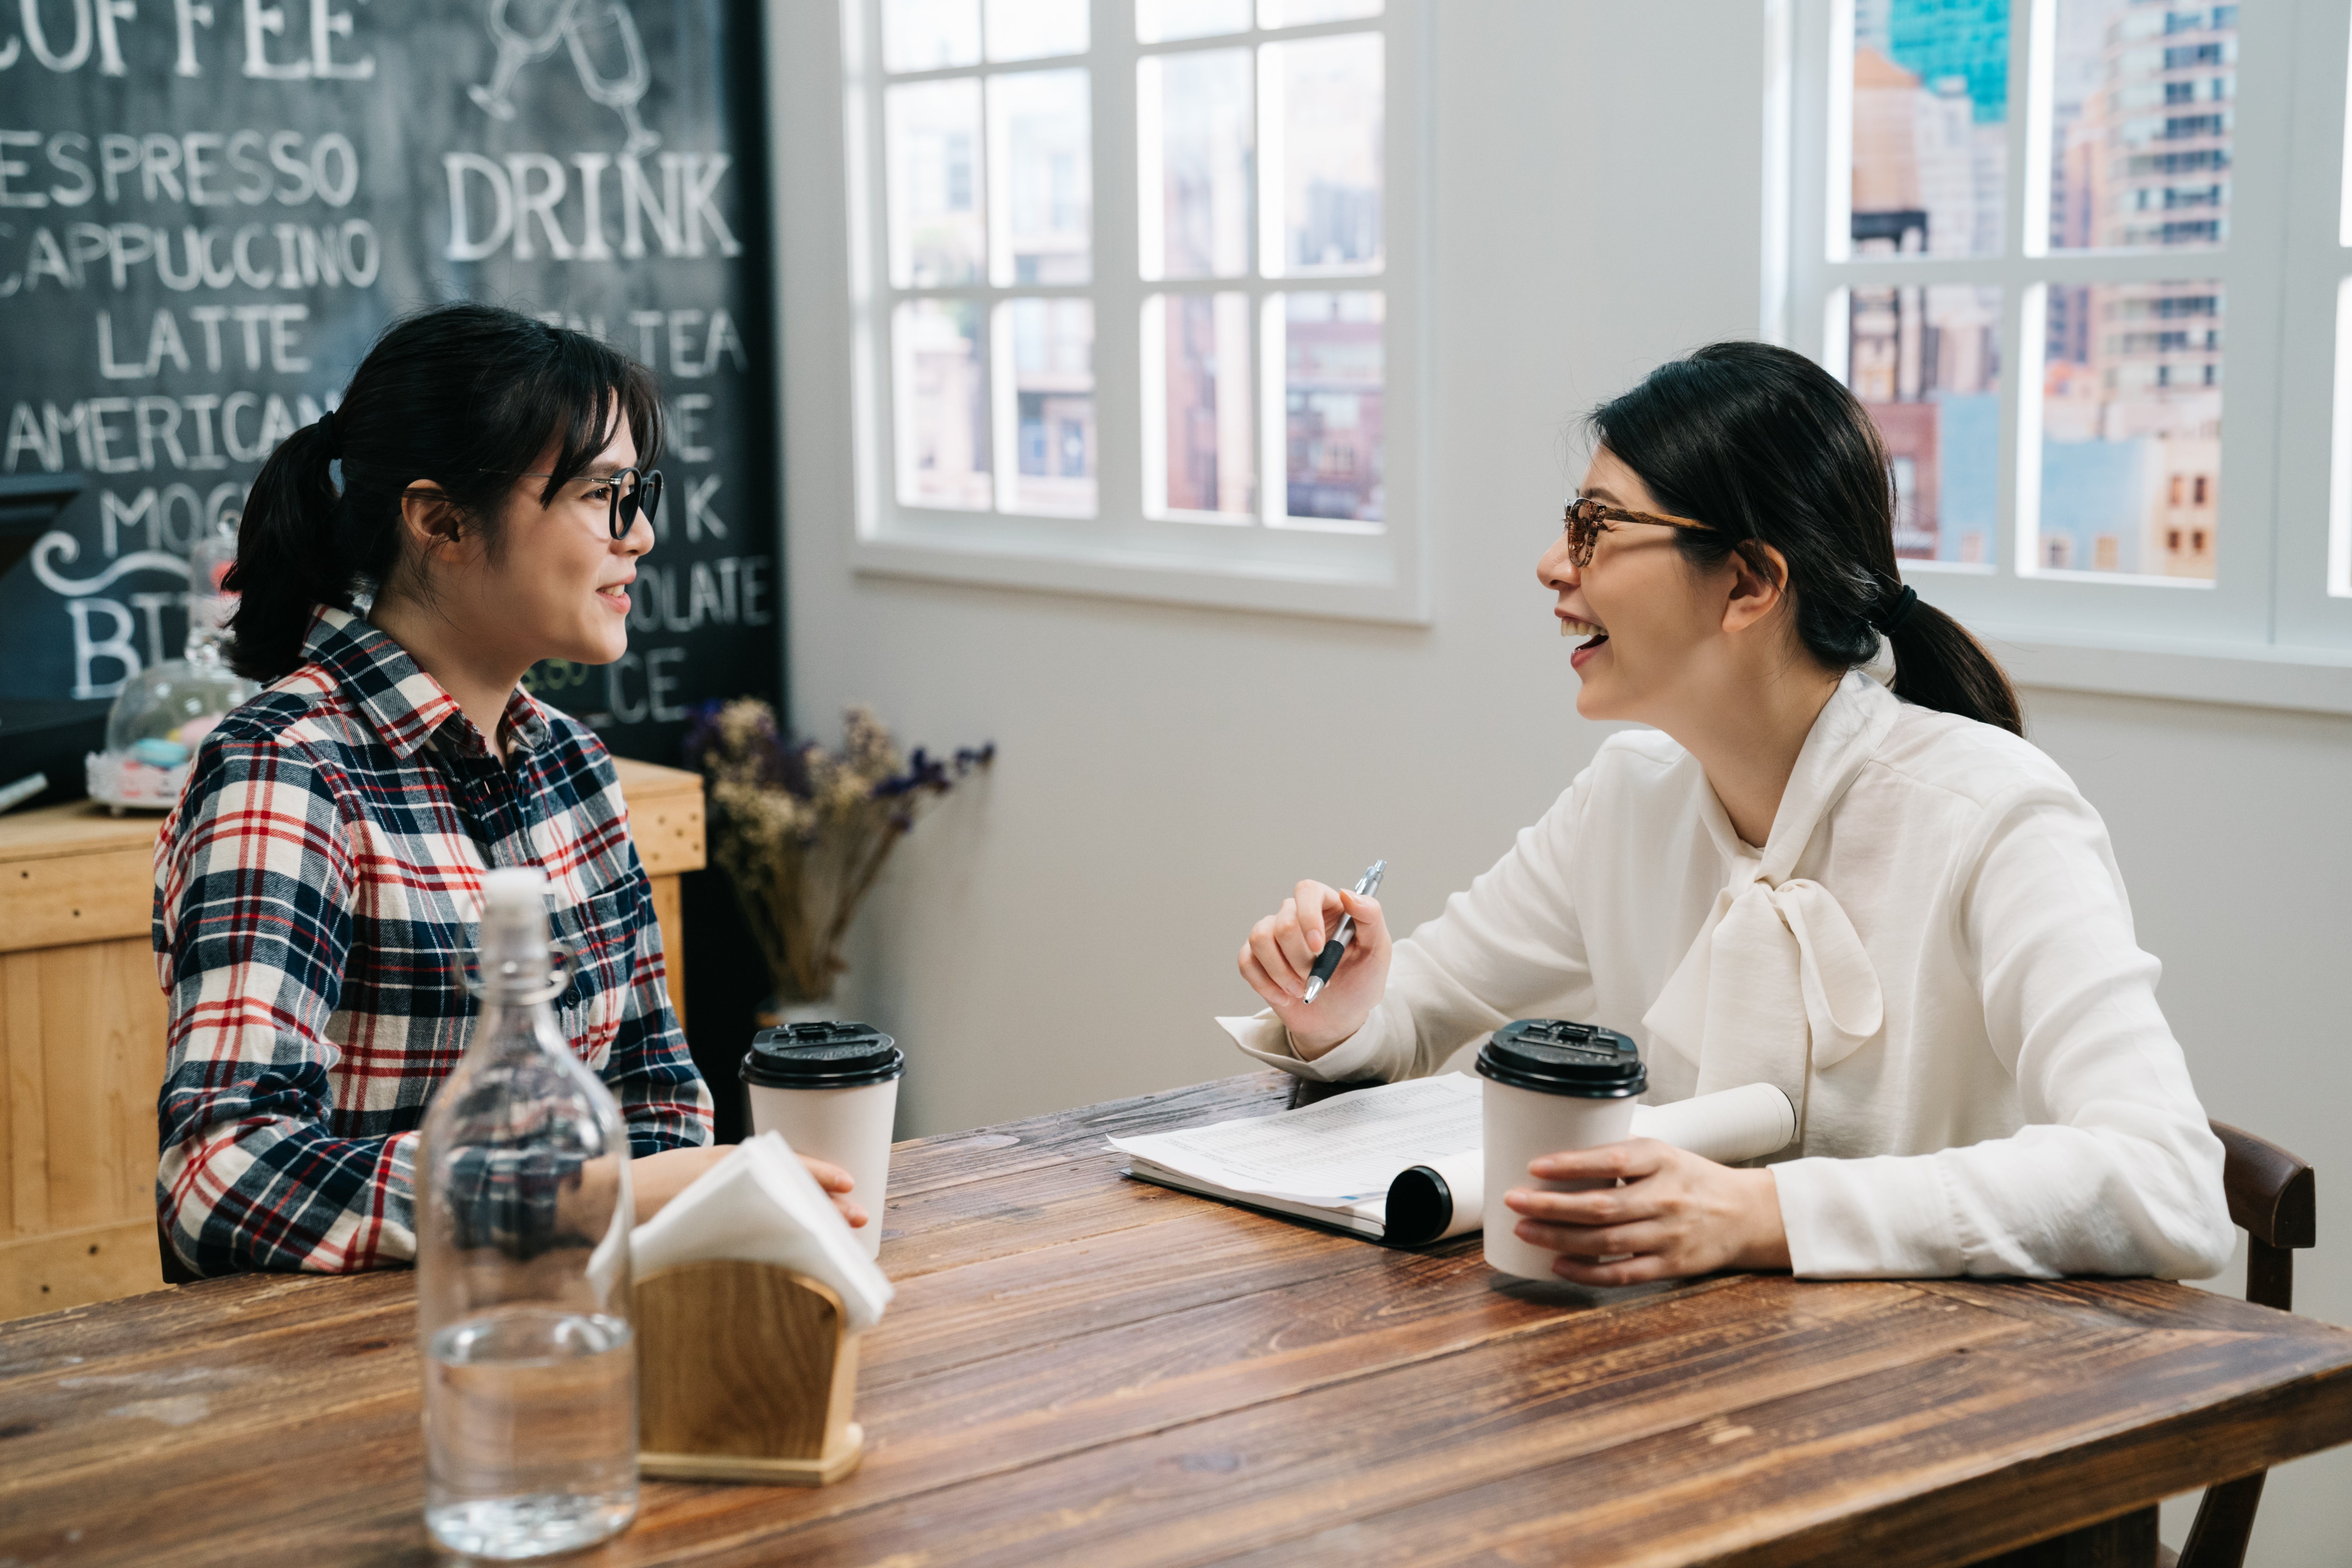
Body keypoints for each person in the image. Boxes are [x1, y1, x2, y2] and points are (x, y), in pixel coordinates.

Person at [1227, 341, 2234, 1289]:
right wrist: (1340, 1010)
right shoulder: (1626, 799)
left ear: (1748, 582)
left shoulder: (1994, 816)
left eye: (1595, 527)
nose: (1551, 564)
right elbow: (1420, 1005)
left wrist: (1759, 1214)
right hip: (1694, 1376)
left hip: (1943, 1408)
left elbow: (2166, 1180)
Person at [154, 302, 861, 1276]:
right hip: (357, 1366)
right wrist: (572, 1196)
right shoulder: (286, 766)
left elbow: (655, 1090)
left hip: (581, 1326)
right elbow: (221, 1177)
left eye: (638, 491)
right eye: (603, 493)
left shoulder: (574, 764)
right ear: (441, 520)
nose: (643, 534)